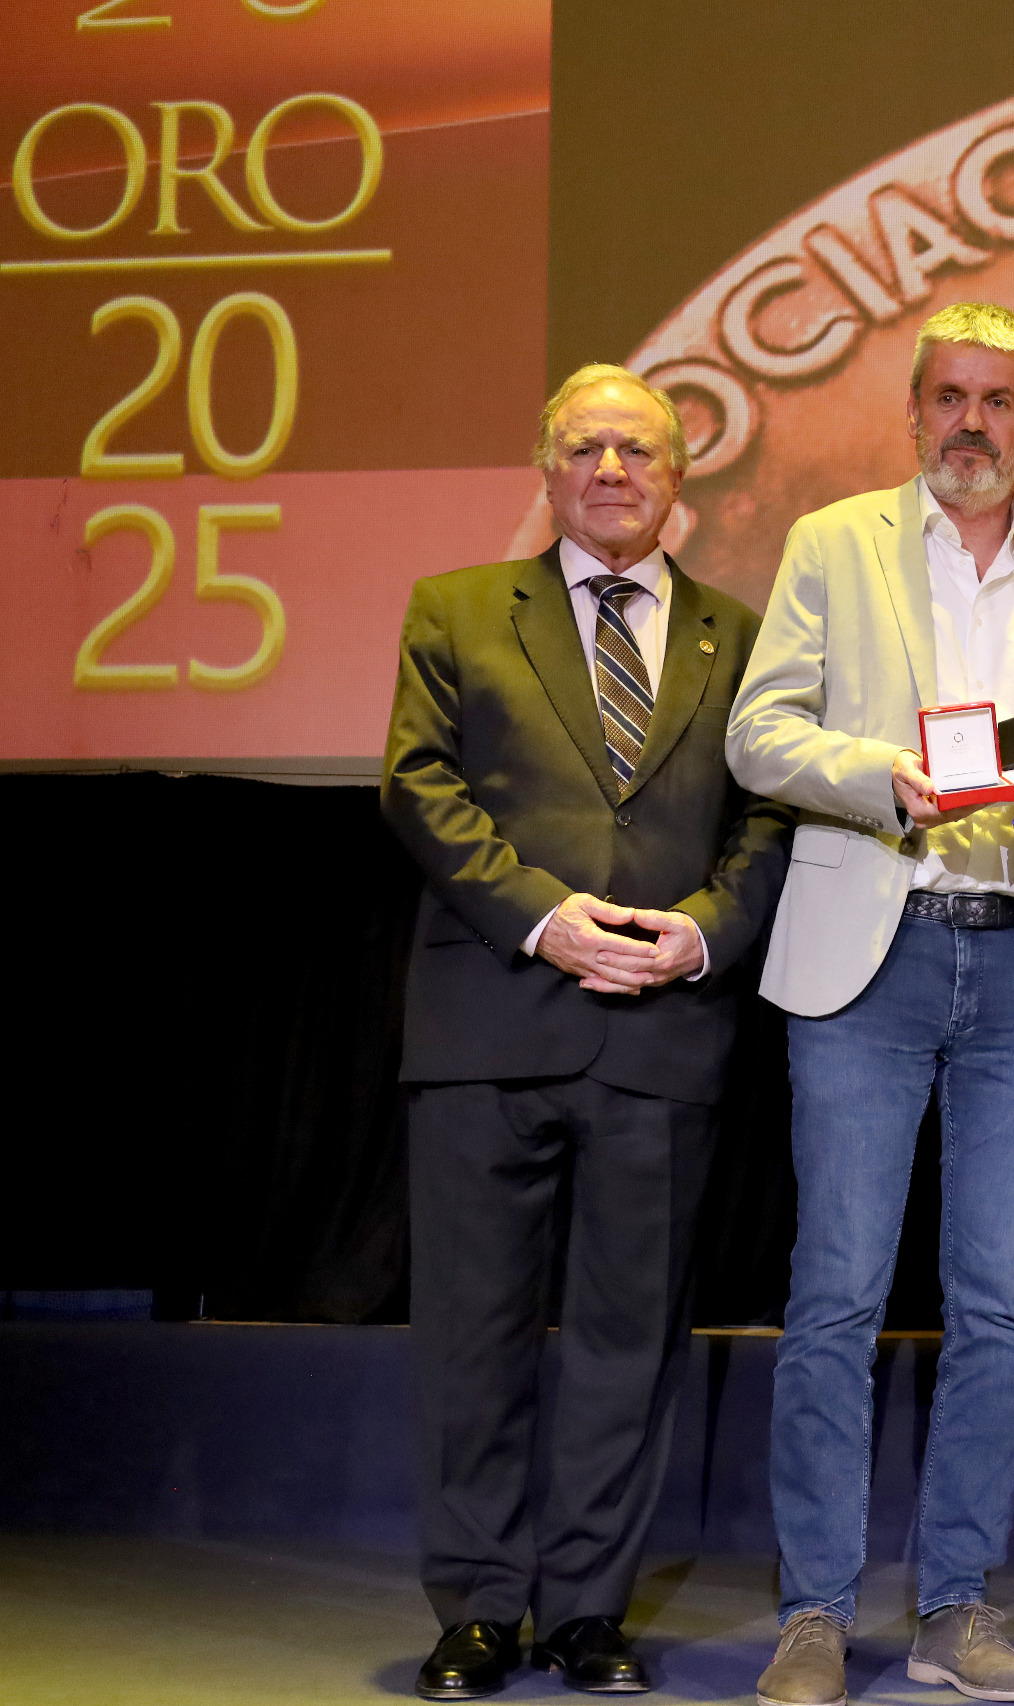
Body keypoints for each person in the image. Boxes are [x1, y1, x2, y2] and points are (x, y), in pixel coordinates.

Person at [726, 302, 1014, 1706]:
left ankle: (956, 1606)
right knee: (836, 1294)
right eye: (949, 397)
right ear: (914, 412)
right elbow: (758, 730)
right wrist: (876, 777)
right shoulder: (831, 542)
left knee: (996, 1305)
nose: (972, 422)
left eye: (998, 399)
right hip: (872, 949)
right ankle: (813, 1612)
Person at [380, 363, 792, 1699]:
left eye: (638, 449)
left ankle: (586, 1611)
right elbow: (419, 784)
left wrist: (707, 931)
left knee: (629, 1339)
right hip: (486, 1024)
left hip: (662, 1032)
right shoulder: (454, 608)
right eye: (585, 448)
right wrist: (544, 918)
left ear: (680, 475)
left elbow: (769, 814)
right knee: (473, 1331)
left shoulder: (745, 633)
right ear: (545, 469)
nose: (612, 470)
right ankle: (479, 1607)